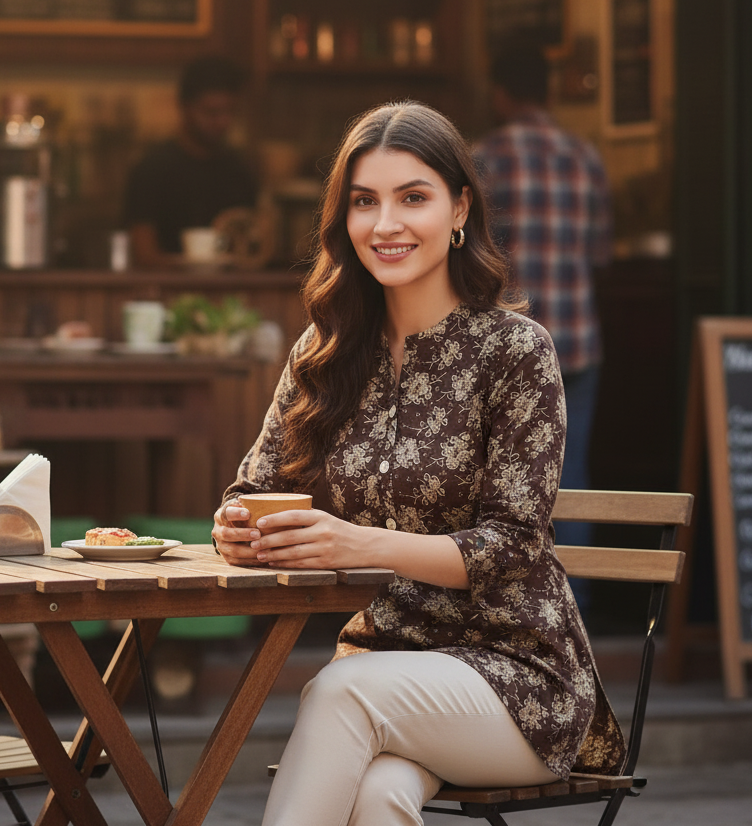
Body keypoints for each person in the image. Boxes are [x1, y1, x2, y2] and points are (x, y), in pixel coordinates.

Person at [212, 102, 624, 826]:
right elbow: (256, 486)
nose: (384, 224)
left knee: (341, 694)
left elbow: (512, 546)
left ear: (459, 207)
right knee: (378, 798)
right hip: (388, 661)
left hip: (517, 678)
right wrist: (238, 526)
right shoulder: (326, 351)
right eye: (364, 202)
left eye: (412, 198)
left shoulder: (513, 351)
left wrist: (356, 545)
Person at [475, 45, 613, 613]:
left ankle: (515, 615)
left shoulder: (484, 159)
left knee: (497, 483)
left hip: (506, 345)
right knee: (570, 478)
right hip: (578, 341)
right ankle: (572, 614)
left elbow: (465, 254)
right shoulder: (586, 158)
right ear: (549, 92)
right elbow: (601, 252)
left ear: (501, 94)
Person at [124, 55, 257, 267]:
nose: (223, 122)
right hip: (165, 292)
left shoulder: (239, 171)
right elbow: (143, 255)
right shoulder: (151, 171)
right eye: (211, 112)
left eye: (230, 112)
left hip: (229, 294)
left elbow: (250, 250)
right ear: (184, 107)